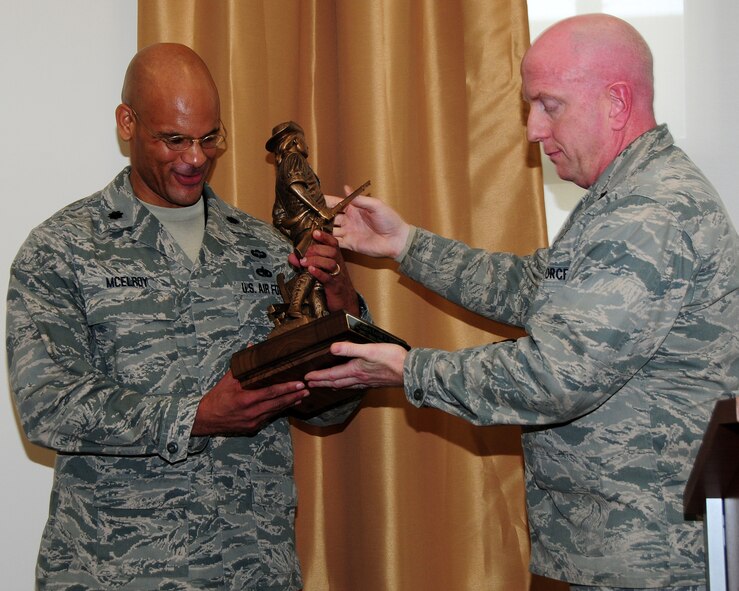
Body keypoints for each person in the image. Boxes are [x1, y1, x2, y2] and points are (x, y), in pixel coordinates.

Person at [306, 14, 738, 591]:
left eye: (549, 105)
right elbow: (535, 286)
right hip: (608, 548)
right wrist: (405, 244)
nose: (533, 129)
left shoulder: (648, 214)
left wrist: (411, 369)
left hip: (644, 559)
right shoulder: (625, 195)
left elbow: (557, 374)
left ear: (616, 102)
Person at [6, 43, 364, 590]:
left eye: (209, 137)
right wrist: (195, 415)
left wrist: (341, 302)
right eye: (174, 139)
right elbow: (47, 406)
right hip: (116, 572)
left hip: (251, 568)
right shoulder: (63, 248)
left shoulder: (265, 248)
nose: (196, 157)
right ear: (128, 123)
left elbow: (326, 413)